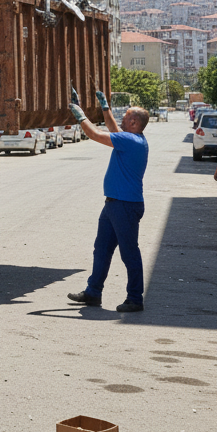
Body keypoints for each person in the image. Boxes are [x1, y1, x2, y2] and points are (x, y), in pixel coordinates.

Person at [66, 88, 149, 313]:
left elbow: (95, 134)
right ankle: (93, 292)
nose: (121, 118)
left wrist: (80, 116)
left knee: (129, 252)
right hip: (114, 204)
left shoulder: (131, 141)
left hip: (125, 205)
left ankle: (135, 298)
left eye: (126, 116)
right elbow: (112, 128)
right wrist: (105, 108)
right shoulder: (132, 139)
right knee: (101, 249)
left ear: (133, 122)